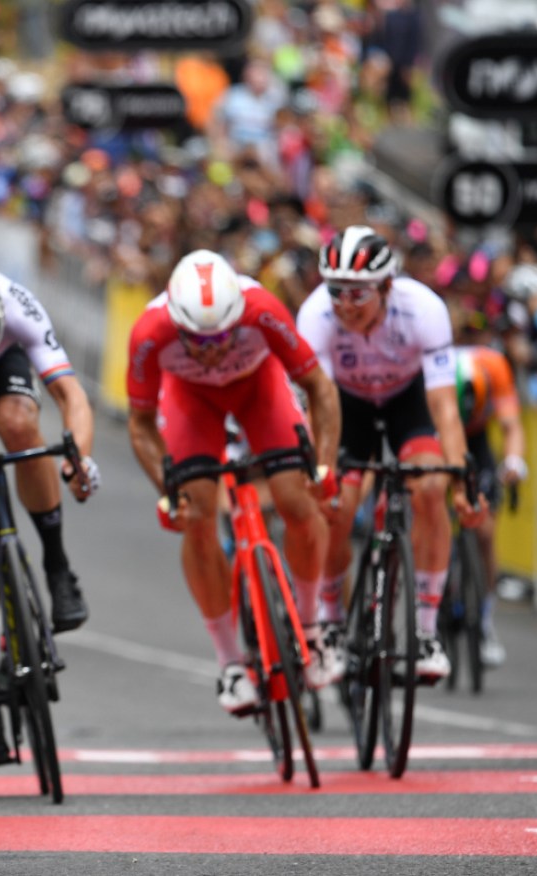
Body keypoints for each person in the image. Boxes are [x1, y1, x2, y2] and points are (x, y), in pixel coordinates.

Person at [127, 250, 341, 715]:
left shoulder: (262, 309)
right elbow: (141, 425)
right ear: (176, 324)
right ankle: (230, 662)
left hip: (258, 388)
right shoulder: (150, 331)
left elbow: (321, 390)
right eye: (195, 340)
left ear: (238, 318)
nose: (209, 350)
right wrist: (168, 491)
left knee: (298, 500)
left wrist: (322, 466)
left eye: (222, 336)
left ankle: (310, 629)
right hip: (191, 400)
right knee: (198, 515)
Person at [297, 226, 485, 683]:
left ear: (386, 287)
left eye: (357, 294)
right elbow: (318, 408)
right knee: (335, 506)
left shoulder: (423, 309)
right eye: (336, 290)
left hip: (408, 401)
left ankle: (424, 633)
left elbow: (443, 406)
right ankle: (332, 621)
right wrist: (321, 474)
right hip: (346, 407)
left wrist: (461, 477)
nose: (344, 304)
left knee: (431, 487)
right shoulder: (315, 316)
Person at [0, 253, 99, 765]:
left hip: (0, 374)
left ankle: (56, 564)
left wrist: (78, 458)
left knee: (20, 425)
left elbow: (70, 393)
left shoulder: (14, 304)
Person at [453, 344, 526, 666]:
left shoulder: (495, 367)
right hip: (436, 432)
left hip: (477, 440)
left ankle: (485, 621)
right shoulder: (431, 373)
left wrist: (513, 461)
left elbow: (512, 426)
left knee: (485, 532)